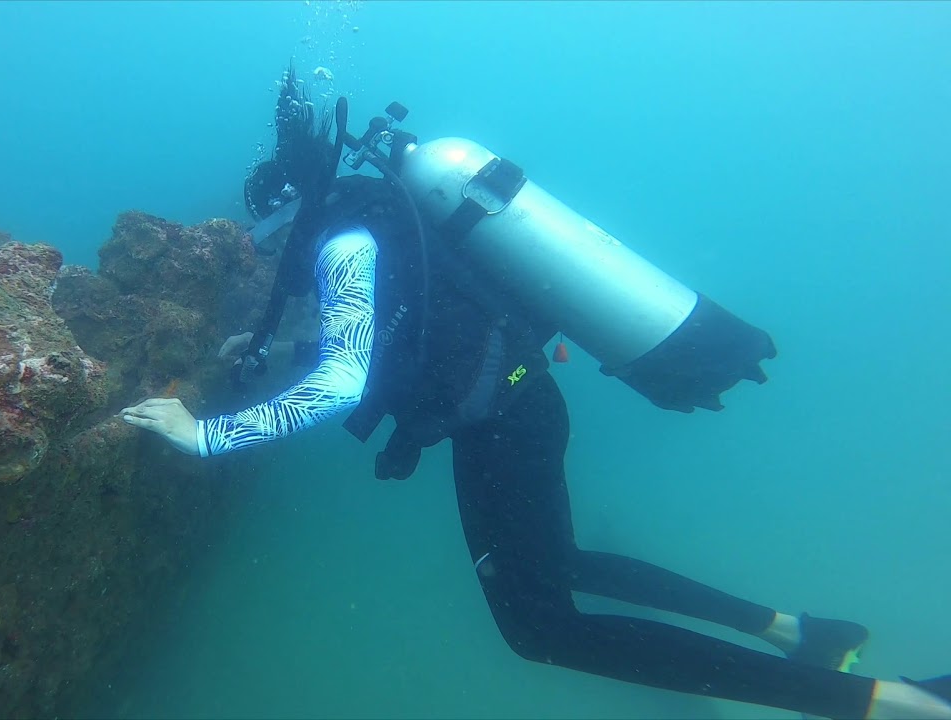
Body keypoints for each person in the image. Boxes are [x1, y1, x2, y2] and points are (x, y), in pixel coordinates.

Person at [119, 66, 951, 720]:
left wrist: (206, 434)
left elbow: (343, 379)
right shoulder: (378, 215)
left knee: (541, 630)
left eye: (267, 234)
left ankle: (885, 703)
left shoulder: (343, 237)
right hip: (521, 405)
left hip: (502, 425)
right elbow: (386, 326)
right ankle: (802, 634)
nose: (267, 254)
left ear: (292, 206)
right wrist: (274, 344)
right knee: (567, 565)